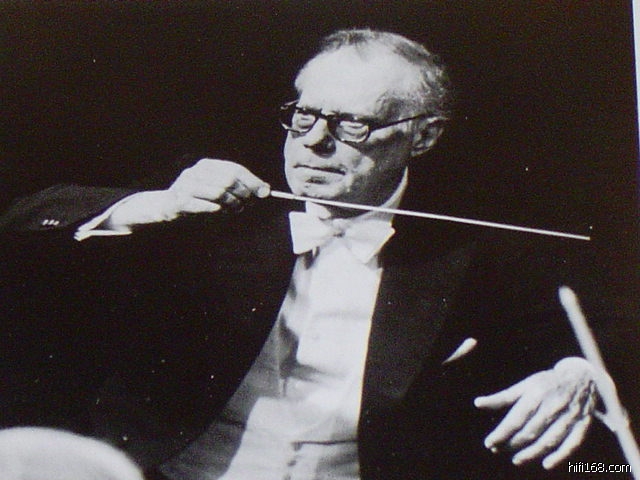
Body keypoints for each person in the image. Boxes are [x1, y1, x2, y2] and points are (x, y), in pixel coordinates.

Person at [0, 29, 626, 479]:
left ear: (423, 136)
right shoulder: (211, 202)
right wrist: (157, 204)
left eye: (353, 125)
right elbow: (26, 222)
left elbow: (600, 325)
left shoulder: (471, 247)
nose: (314, 143)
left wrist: (578, 372)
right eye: (303, 116)